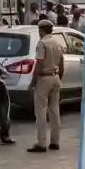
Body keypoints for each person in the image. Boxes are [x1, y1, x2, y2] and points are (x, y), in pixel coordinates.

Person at [28, 19, 65, 153]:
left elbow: (39, 64)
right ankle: (55, 141)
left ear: (41, 30)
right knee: (54, 111)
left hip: (44, 78)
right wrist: (58, 77)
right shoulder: (57, 43)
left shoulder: (42, 43)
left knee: (41, 112)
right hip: (55, 77)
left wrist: (32, 82)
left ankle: (41, 143)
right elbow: (61, 63)